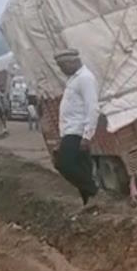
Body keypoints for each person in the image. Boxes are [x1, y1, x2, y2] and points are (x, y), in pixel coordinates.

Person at [53, 48, 100, 207]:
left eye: (62, 66)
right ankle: (89, 203)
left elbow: (92, 107)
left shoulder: (85, 78)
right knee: (83, 168)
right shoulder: (74, 79)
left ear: (72, 62)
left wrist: (87, 136)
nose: (62, 70)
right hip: (70, 131)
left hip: (77, 131)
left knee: (64, 164)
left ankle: (95, 192)